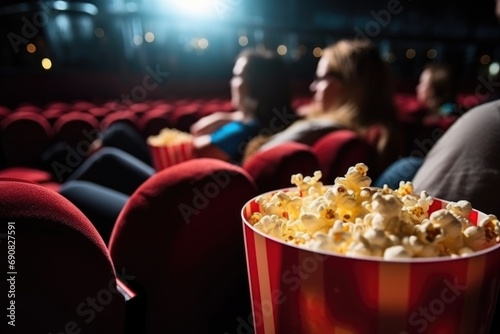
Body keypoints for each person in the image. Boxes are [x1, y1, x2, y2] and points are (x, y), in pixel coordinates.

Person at [244, 39, 403, 176]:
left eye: (320, 78)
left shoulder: (320, 127)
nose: (313, 87)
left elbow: (257, 160)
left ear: (349, 83)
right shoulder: (387, 134)